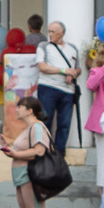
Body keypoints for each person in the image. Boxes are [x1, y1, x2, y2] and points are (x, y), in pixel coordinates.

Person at [0, 94, 51, 208]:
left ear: (30, 111)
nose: (17, 110)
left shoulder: (37, 127)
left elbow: (39, 151)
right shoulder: (28, 129)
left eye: (20, 107)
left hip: (31, 175)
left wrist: (16, 153)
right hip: (21, 175)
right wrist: (8, 148)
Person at [33, 19, 81, 155]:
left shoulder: (73, 48)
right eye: (49, 31)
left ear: (61, 33)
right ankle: (44, 153)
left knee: (64, 124)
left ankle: (59, 155)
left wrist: (73, 73)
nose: (49, 34)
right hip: (48, 87)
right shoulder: (43, 46)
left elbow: (78, 68)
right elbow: (42, 66)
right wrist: (63, 71)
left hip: (68, 90)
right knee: (45, 121)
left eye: (53, 32)